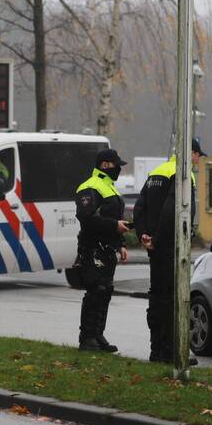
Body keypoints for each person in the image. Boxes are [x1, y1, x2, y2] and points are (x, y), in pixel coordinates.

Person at [134, 138, 206, 364]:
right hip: (171, 247)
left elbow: (139, 207)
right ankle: (172, 351)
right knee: (174, 300)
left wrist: (143, 235)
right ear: (191, 153)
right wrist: (158, 238)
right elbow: (172, 211)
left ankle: (157, 350)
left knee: (157, 298)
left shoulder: (157, 172)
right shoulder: (184, 175)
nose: (197, 160)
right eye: (197, 155)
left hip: (155, 248)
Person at [75, 148, 130, 353]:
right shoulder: (89, 187)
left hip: (108, 249)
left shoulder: (111, 188)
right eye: (117, 166)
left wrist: (121, 243)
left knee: (105, 291)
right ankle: (87, 337)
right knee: (95, 291)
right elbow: (87, 219)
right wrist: (114, 226)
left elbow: (116, 219)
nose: (119, 170)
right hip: (92, 248)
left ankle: (98, 334)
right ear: (105, 165)